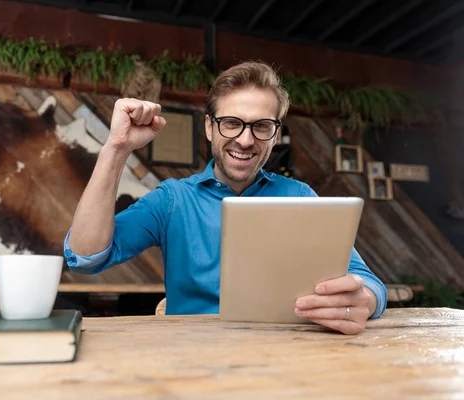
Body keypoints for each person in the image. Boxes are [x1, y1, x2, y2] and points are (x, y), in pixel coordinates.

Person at [64, 61, 387, 335]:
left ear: (275, 135)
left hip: (288, 353)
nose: (245, 140)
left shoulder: (299, 196)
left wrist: (364, 300)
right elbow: (87, 257)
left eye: (261, 126)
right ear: (209, 128)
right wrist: (117, 148)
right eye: (231, 123)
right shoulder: (172, 199)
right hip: (192, 358)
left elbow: (370, 284)